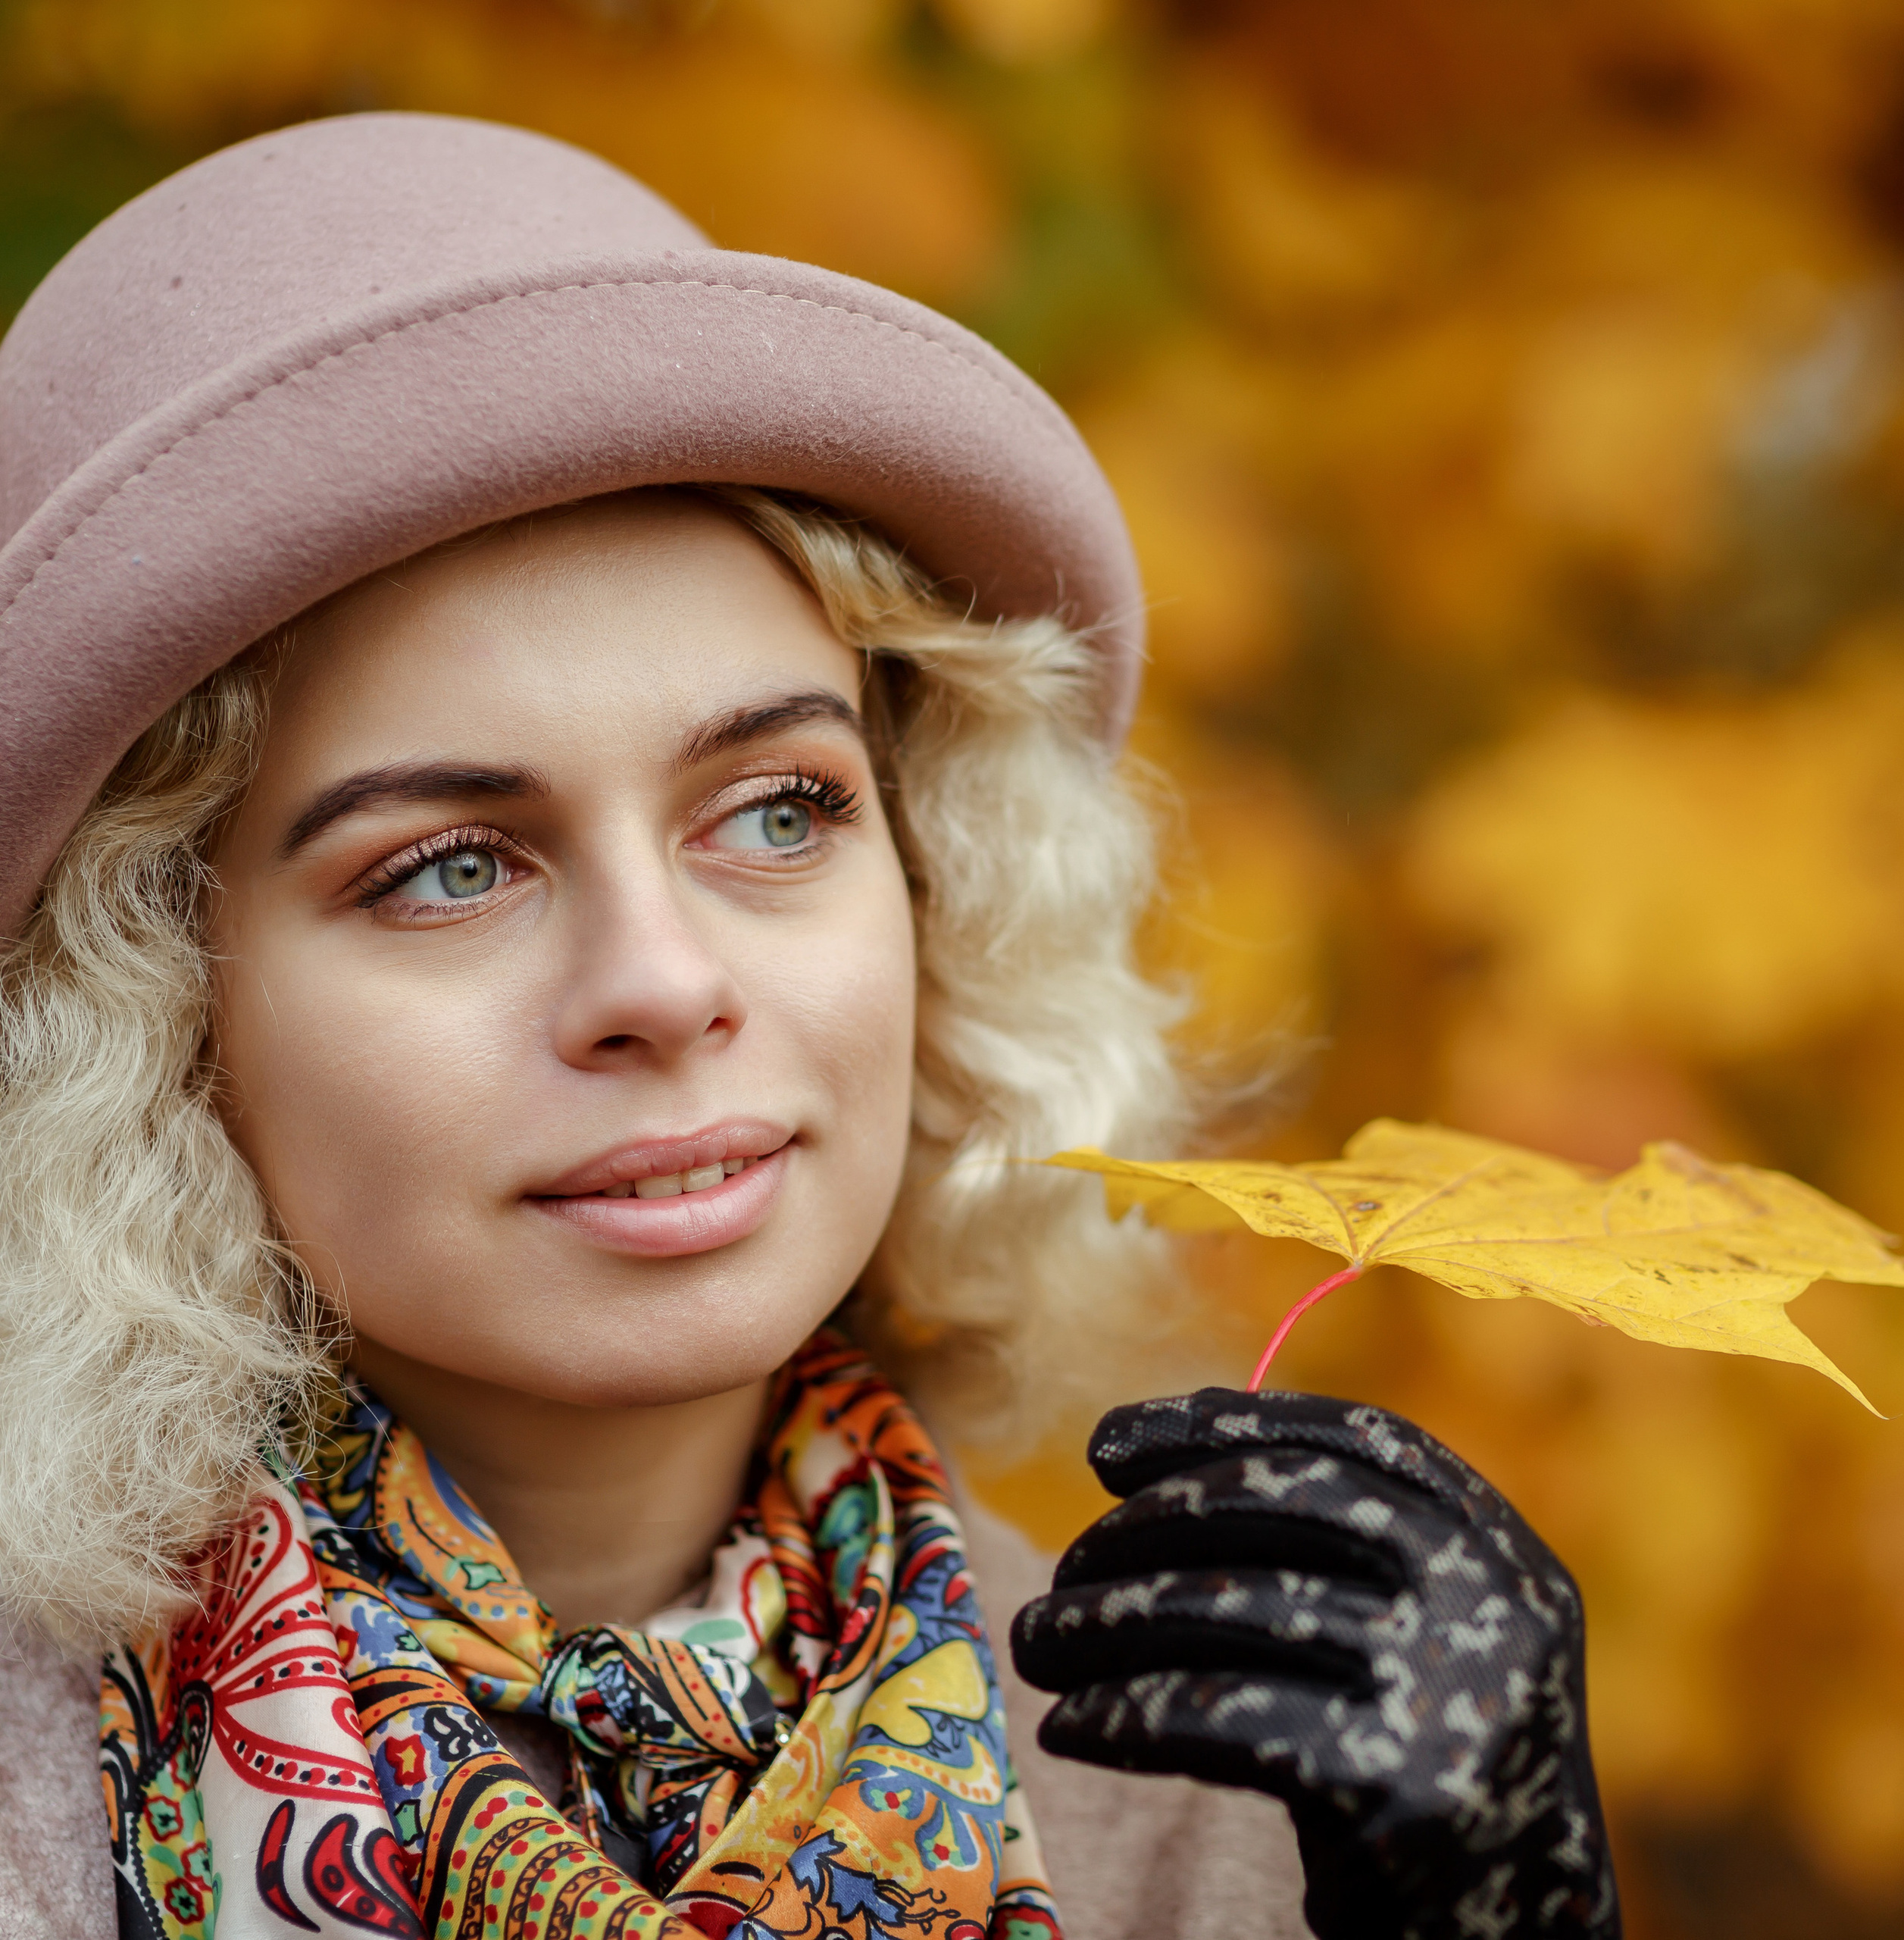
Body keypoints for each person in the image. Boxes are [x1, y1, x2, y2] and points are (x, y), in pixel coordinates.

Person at [0, 114, 1618, 1939]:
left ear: (933, 876)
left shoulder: (1208, 1792)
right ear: (133, 1013)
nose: (666, 981)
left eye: (777, 809)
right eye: (451, 866)